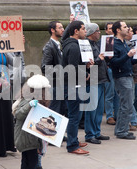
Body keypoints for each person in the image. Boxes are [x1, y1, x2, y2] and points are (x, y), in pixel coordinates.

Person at [13, 74, 50, 169]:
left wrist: (40, 144)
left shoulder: (36, 101)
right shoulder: (27, 101)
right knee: (32, 160)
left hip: (31, 138)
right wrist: (29, 105)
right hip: (26, 137)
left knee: (27, 160)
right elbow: (18, 114)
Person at [62, 20, 92, 154]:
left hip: (72, 85)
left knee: (75, 115)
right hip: (73, 85)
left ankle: (73, 140)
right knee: (74, 116)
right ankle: (72, 145)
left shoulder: (69, 44)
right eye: (83, 29)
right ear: (76, 31)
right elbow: (72, 68)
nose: (85, 31)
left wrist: (85, 66)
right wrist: (85, 73)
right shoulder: (74, 47)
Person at [109, 20, 137, 140]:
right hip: (121, 77)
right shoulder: (113, 43)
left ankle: (122, 129)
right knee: (126, 105)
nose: (127, 29)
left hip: (128, 75)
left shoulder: (124, 43)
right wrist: (128, 55)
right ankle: (122, 131)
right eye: (125, 27)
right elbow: (113, 62)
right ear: (118, 30)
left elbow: (129, 61)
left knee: (128, 105)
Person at [84, 23, 110, 144]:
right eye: (98, 31)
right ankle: (90, 134)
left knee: (99, 109)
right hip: (93, 79)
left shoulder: (97, 44)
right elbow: (89, 63)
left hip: (101, 78)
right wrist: (99, 58)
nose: (100, 33)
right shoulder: (86, 45)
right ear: (92, 33)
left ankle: (97, 132)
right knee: (92, 109)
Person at [41, 21, 66, 116]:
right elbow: (45, 68)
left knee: (61, 112)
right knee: (53, 113)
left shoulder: (59, 45)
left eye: (63, 27)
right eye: (60, 28)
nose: (62, 30)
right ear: (52, 30)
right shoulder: (49, 47)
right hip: (54, 85)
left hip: (61, 85)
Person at [103, 22, 118, 125]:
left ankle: (117, 114)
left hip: (117, 69)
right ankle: (109, 116)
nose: (111, 30)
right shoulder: (104, 41)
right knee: (110, 94)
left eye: (112, 28)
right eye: (109, 29)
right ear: (106, 30)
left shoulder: (117, 41)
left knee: (118, 94)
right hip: (109, 68)